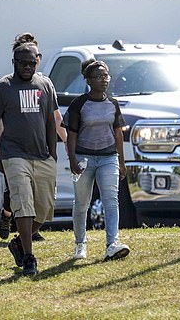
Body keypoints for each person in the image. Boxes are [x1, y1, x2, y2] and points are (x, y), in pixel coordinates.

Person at [0, 36, 59, 276]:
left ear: (37, 62)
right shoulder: (1, 88)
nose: (27, 67)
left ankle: (18, 242)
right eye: (22, 63)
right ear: (14, 62)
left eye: (31, 63)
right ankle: (29, 257)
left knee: (46, 208)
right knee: (23, 203)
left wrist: (53, 153)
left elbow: (50, 120)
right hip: (14, 153)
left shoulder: (46, 85)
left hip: (42, 155)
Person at [0, 33, 67, 241]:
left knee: (39, 194)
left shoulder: (44, 83)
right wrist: (2, 148)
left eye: (34, 56)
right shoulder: (8, 86)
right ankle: (7, 215)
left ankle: (29, 232)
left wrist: (68, 141)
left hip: (39, 150)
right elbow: (0, 122)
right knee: (16, 192)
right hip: (14, 150)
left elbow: (55, 117)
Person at [63, 59, 130, 261]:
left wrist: (121, 161)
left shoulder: (113, 104)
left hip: (108, 157)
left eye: (106, 76)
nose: (104, 80)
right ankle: (80, 244)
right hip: (84, 158)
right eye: (99, 77)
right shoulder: (79, 104)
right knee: (82, 203)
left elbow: (118, 133)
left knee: (111, 200)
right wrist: (73, 159)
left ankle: (112, 244)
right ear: (88, 80)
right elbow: (71, 134)